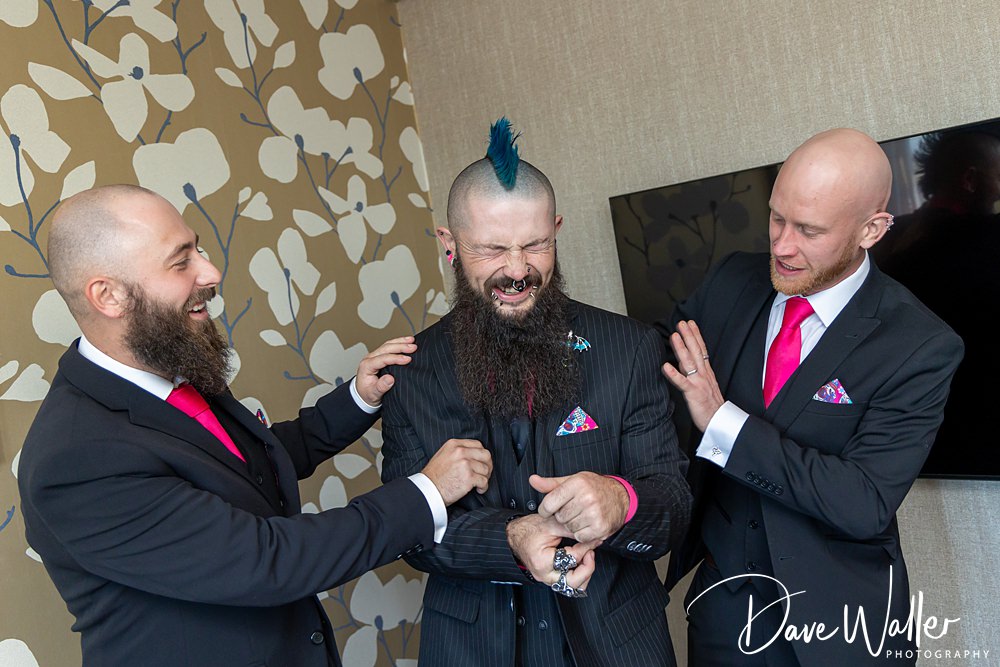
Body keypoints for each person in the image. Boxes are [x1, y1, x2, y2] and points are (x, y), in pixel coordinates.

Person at [17, 184, 493, 667]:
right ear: (109, 296)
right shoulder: (75, 461)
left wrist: (358, 398)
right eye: (181, 262)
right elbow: (267, 561)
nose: (211, 272)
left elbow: (247, 466)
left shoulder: (167, 367)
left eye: (198, 248)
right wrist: (427, 492)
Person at [380, 119, 692, 667]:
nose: (517, 270)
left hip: (617, 644)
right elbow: (409, 531)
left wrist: (622, 500)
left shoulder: (631, 347)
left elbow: (674, 503)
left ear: (557, 230)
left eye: (535, 245)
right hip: (472, 650)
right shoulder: (411, 372)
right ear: (449, 244)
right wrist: (511, 539)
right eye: (491, 249)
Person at [659, 128, 963, 666]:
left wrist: (722, 421)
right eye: (777, 218)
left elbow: (863, 501)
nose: (781, 245)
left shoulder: (920, 344)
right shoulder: (731, 279)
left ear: (871, 230)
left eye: (809, 230)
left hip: (842, 625)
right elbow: (643, 362)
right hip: (722, 613)